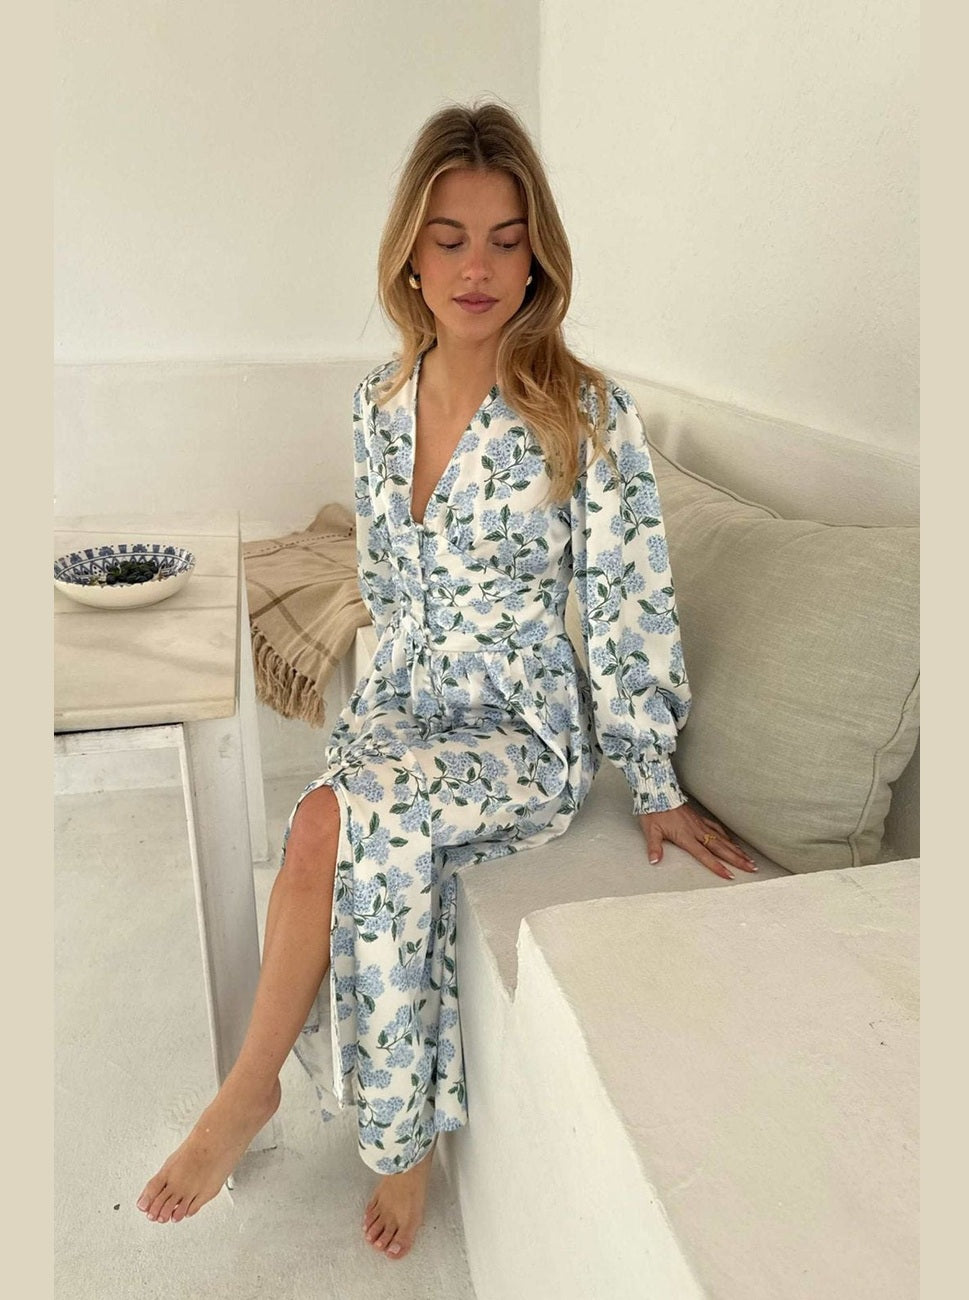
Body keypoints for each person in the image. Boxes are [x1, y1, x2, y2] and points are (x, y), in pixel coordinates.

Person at [136, 99, 755, 1260]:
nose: (479, 268)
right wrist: (383, 708)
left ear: (538, 256)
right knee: (319, 825)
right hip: (405, 701)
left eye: (507, 239)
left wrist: (652, 773)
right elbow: (384, 577)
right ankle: (264, 1088)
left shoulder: (585, 413)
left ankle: (385, 1131)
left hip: (521, 732)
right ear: (410, 255)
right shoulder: (376, 405)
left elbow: (629, 594)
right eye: (452, 237)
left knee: (364, 815)